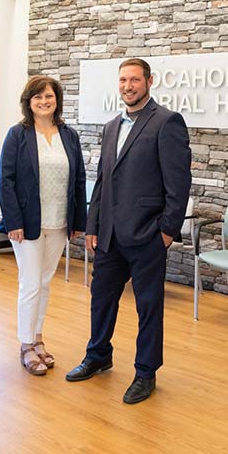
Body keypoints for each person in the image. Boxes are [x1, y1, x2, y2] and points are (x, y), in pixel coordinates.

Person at [65, 58, 192, 404]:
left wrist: (166, 232)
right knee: (101, 298)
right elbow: (104, 180)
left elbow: (179, 186)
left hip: (147, 236)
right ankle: (98, 355)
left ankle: (145, 372)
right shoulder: (110, 126)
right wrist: (92, 224)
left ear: (149, 82)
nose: (128, 86)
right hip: (108, 236)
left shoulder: (167, 122)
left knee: (148, 306)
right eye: (123, 80)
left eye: (135, 79)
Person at [0, 75, 86, 376]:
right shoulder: (17, 135)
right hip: (26, 223)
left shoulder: (69, 135)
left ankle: (38, 338)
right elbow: (5, 181)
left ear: (56, 100)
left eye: (49, 96)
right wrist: (13, 221)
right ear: (29, 102)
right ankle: (25, 344)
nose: (44, 101)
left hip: (59, 221)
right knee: (31, 283)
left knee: (45, 282)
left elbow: (79, 180)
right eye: (38, 97)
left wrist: (77, 221)